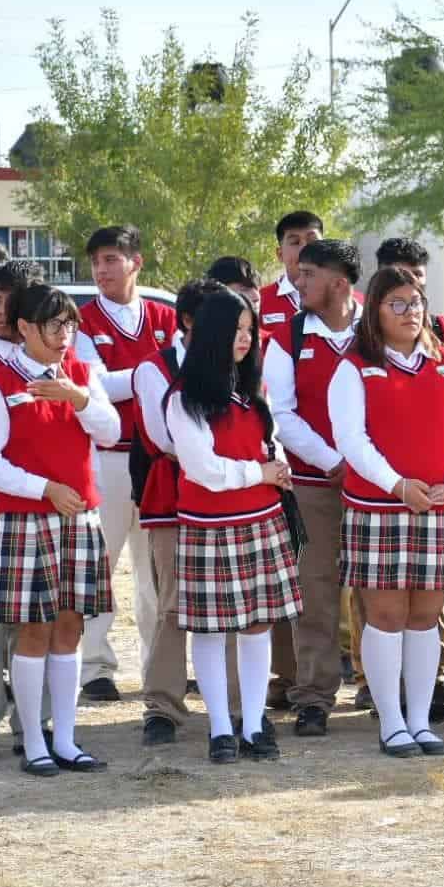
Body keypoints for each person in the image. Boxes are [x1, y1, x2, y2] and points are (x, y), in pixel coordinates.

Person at [329, 266, 444, 757]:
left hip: (440, 506)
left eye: (415, 302)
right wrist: (397, 485)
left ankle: (420, 719)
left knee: (425, 615)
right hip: (379, 507)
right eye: (397, 303)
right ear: (374, 310)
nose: (410, 312)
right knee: (386, 613)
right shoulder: (354, 366)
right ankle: (391, 720)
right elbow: (352, 439)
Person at [165, 288, 301, 762]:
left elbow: (271, 439)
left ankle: (255, 722)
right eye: (236, 331)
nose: (244, 340)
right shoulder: (185, 396)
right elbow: (203, 467)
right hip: (210, 523)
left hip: (262, 519)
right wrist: (258, 473)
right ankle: (220, 727)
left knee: (257, 625)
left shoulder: (253, 388)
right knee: (210, 628)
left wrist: (277, 464)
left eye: (249, 330)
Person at [0, 283, 120, 775]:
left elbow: (110, 431)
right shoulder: (2, 378)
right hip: (27, 518)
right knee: (34, 630)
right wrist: (44, 487)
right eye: (53, 325)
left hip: (79, 517)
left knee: (70, 626)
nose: (65, 334)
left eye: (70, 324)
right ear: (24, 327)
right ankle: (34, 744)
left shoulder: (81, 374)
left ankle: (66, 740)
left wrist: (80, 398)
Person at [262, 239, 363, 735]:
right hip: (311, 485)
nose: (296, 283)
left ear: (339, 283)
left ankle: (387, 689)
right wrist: (334, 463)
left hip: (377, 486)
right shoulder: (288, 335)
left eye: (307, 275)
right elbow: (282, 413)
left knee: (379, 587)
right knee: (315, 589)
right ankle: (313, 696)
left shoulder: (377, 327)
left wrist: (365, 465)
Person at [73, 225, 177, 702]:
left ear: (137, 262)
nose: (101, 269)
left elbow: (180, 374)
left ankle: (161, 665)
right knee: (99, 564)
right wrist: (154, 371)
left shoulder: (163, 315)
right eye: (96, 260)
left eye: (112, 258)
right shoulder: (81, 319)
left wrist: (138, 377)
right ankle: (95, 667)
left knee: (155, 569)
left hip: (158, 459)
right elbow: (98, 388)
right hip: (108, 458)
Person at [134, 278, 235, 745]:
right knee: (173, 605)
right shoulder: (155, 369)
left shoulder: (241, 368)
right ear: (191, 321)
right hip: (175, 501)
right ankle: (163, 705)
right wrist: (222, 458)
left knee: (237, 606)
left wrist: (222, 460)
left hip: (236, 503)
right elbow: (167, 442)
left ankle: (235, 708)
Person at [0, 260, 48, 742]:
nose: (0, 310)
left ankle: (37, 724)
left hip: (40, 511)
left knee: (41, 621)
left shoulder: (56, 354)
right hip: (8, 505)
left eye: (8, 299)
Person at [258, 211, 325, 334]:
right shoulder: (258, 302)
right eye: (295, 242)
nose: (305, 249)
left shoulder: (348, 301)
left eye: (312, 241)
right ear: (280, 254)